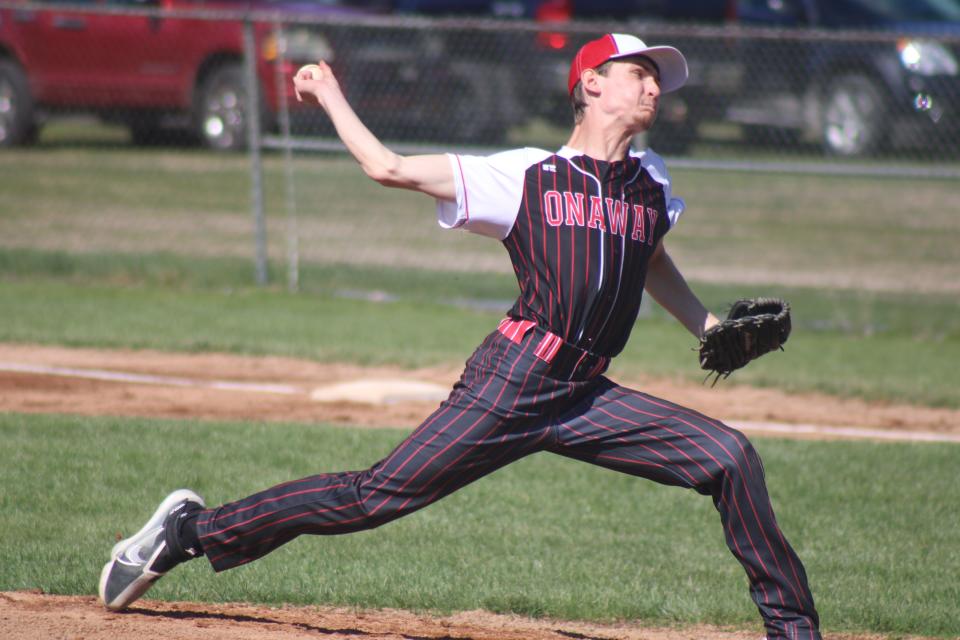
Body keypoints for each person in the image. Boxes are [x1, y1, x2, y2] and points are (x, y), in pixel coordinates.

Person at [98, 33, 822, 640]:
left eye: (657, 80)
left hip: (586, 395)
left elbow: (650, 257)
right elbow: (387, 168)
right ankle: (190, 532)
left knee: (729, 457)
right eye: (640, 75)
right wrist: (328, 95)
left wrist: (708, 325)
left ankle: (794, 632)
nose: (655, 89)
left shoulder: (652, 184)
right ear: (592, 85)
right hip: (511, 384)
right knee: (371, 497)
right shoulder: (526, 177)